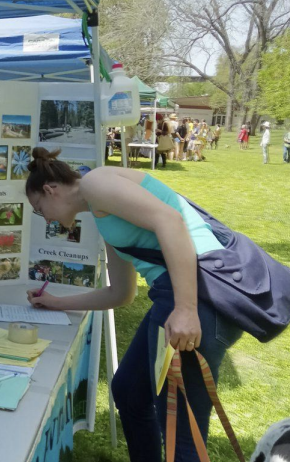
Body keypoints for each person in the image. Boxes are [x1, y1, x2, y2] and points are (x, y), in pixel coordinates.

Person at [25, 147, 243, 462]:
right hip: (177, 295)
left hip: (200, 293)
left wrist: (185, 309)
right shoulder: (102, 214)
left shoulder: (95, 183)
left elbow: (170, 220)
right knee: (128, 391)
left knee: (182, 433)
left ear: (50, 190)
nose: (45, 218)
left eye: (38, 208)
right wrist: (56, 303)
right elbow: (121, 293)